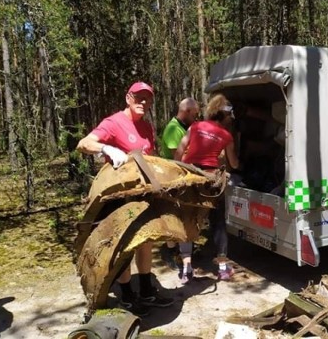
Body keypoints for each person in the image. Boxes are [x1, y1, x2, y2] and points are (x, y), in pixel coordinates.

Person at [76, 81, 173, 316]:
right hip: (119, 198)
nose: (143, 102)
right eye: (139, 97)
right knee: (124, 244)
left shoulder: (147, 127)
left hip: (144, 195)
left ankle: (147, 290)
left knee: (146, 241)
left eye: (147, 99)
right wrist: (106, 149)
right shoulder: (114, 122)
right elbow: (84, 143)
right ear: (128, 98)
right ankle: (128, 296)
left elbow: (151, 158)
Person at [175, 92, 239, 281]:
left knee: (187, 218)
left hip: (191, 175)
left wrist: (180, 169)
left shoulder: (195, 126)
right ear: (224, 116)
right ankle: (222, 267)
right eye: (229, 116)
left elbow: (179, 151)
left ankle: (187, 267)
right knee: (218, 221)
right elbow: (234, 164)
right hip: (211, 179)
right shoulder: (226, 135)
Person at [158, 98, 200, 275]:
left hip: (182, 180)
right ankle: (169, 251)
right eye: (195, 114)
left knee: (182, 218)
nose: (197, 117)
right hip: (173, 181)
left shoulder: (182, 127)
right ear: (187, 111)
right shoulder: (174, 129)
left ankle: (180, 250)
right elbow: (179, 157)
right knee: (174, 219)